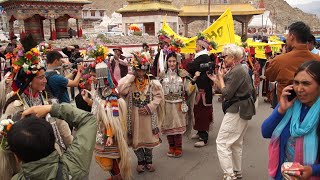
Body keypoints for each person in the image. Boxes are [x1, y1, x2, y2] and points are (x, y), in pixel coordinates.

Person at [0, 38, 73, 180]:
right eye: (40, 78)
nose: (45, 81)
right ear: (28, 80)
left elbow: (62, 128)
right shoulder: (14, 106)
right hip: (28, 167)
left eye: (44, 77)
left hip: (52, 160)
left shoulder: (46, 99)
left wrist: (71, 151)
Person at [261, 60, 320, 180]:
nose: (299, 89)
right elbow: (265, 132)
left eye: (306, 84)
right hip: (284, 176)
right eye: (296, 83)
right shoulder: (290, 103)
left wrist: (313, 170)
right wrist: (280, 110)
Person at [7, 103, 97, 179]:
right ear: (53, 141)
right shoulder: (75, 165)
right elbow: (88, 120)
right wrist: (50, 108)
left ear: (17, 157)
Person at [207, 44, 256, 180]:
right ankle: (236, 171)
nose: (223, 59)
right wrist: (216, 80)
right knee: (235, 143)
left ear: (233, 57)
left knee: (222, 142)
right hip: (242, 108)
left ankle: (229, 175)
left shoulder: (237, 70)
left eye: (225, 56)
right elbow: (227, 89)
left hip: (237, 109)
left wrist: (220, 78)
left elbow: (227, 93)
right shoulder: (238, 69)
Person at [117, 52, 164, 173]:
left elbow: (158, 97)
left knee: (149, 140)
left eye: (143, 71)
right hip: (134, 116)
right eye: (138, 70)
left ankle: (149, 161)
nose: (141, 73)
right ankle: (140, 161)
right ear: (134, 69)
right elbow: (121, 90)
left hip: (148, 116)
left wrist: (150, 107)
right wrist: (131, 76)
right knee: (136, 140)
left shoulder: (152, 82)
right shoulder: (130, 82)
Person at [90, 59, 131, 180]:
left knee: (111, 158)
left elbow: (113, 117)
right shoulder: (101, 92)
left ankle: (118, 178)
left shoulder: (110, 96)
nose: (91, 79)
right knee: (112, 157)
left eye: (93, 76)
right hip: (103, 131)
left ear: (101, 77)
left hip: (109, 133)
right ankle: (117, 176)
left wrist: (109, 135)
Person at [265, 21, 320, 102]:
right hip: (311, 108)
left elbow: (270, 77)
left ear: (291, 36)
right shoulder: (317, 59)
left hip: (286, 108)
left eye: (287, 35)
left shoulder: (279, 60)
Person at [159, 52, 197, 158]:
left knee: (178, 126)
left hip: (179, 104)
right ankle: (171, 147)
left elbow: (188, 90)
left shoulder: (183, 74)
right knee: (168, 125)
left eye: (173, 61)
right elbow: (157, 90)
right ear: (167, 62)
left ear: (177, 62)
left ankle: (178, 147)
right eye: (170, 61)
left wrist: (193, 83)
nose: (171, 63)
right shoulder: (162, 75)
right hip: (166, 104)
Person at [187, 34, 214, 147]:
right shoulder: (202, 57)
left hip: (202, 89)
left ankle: (204, 137)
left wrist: (188, 60)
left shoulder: (203, 58)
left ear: (201, 47)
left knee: (202, 112)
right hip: (200, 88)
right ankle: (199, 131)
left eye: (196, 45)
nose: (195, 47)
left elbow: (191, 68)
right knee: (197, 111)